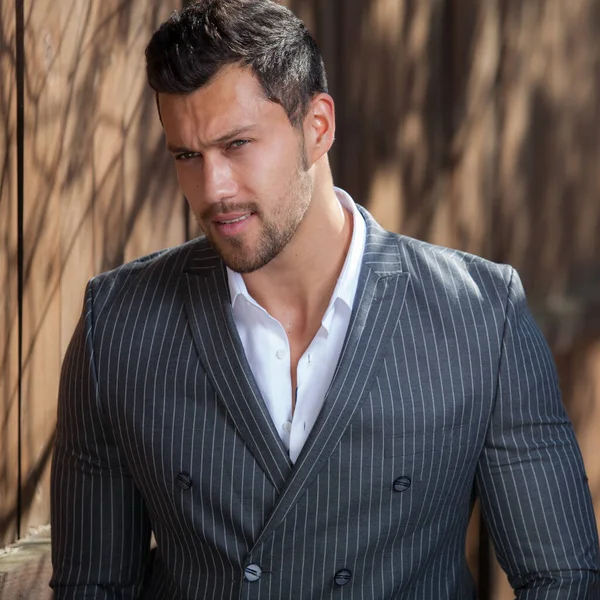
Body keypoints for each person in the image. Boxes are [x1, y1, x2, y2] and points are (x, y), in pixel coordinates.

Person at [49, 0, 600, 598]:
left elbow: (561, 578)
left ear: (318, 127)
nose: (212, 189)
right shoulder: (119, 324)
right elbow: (92, 586)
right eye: (187, 155)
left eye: (236, 144)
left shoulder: (481, 317)